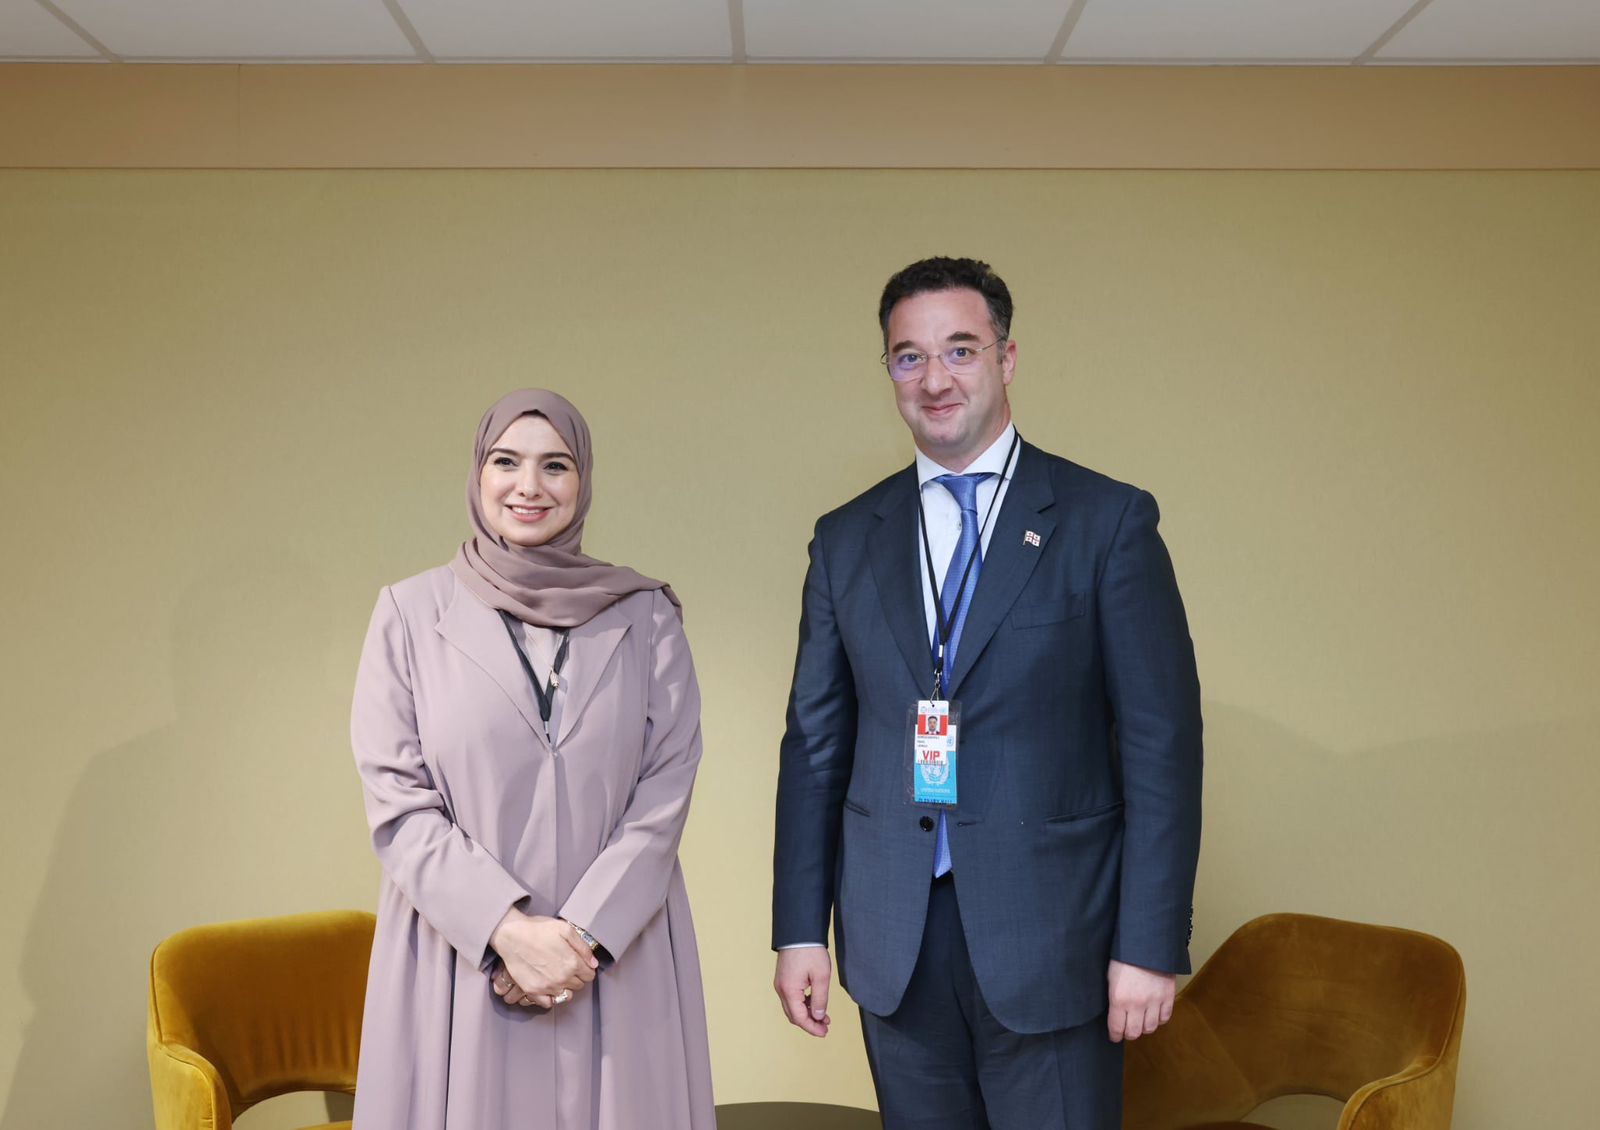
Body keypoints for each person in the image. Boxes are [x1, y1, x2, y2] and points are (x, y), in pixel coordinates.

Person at [772, 258, 1203, 1129]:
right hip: (894, 941)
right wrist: (799, 928)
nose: (935, 379)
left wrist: (1150, 944)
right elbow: (815, 747)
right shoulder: (846, 539)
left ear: (1006, 358)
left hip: (1057, 941)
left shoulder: (1107, 522)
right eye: (909, 357)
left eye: (960, 350)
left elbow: (1161, 745)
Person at [351, 389, 714, 1130]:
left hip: (615, 956)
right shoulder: (409, 615)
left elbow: (666, 787)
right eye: (506, 462)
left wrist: (579, 939)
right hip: (461, 960)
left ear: (583, 481)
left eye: (555, 465)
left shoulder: (646, 615)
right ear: (477, 474)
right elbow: (398, 802)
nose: (529, 486)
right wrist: (508, 933)